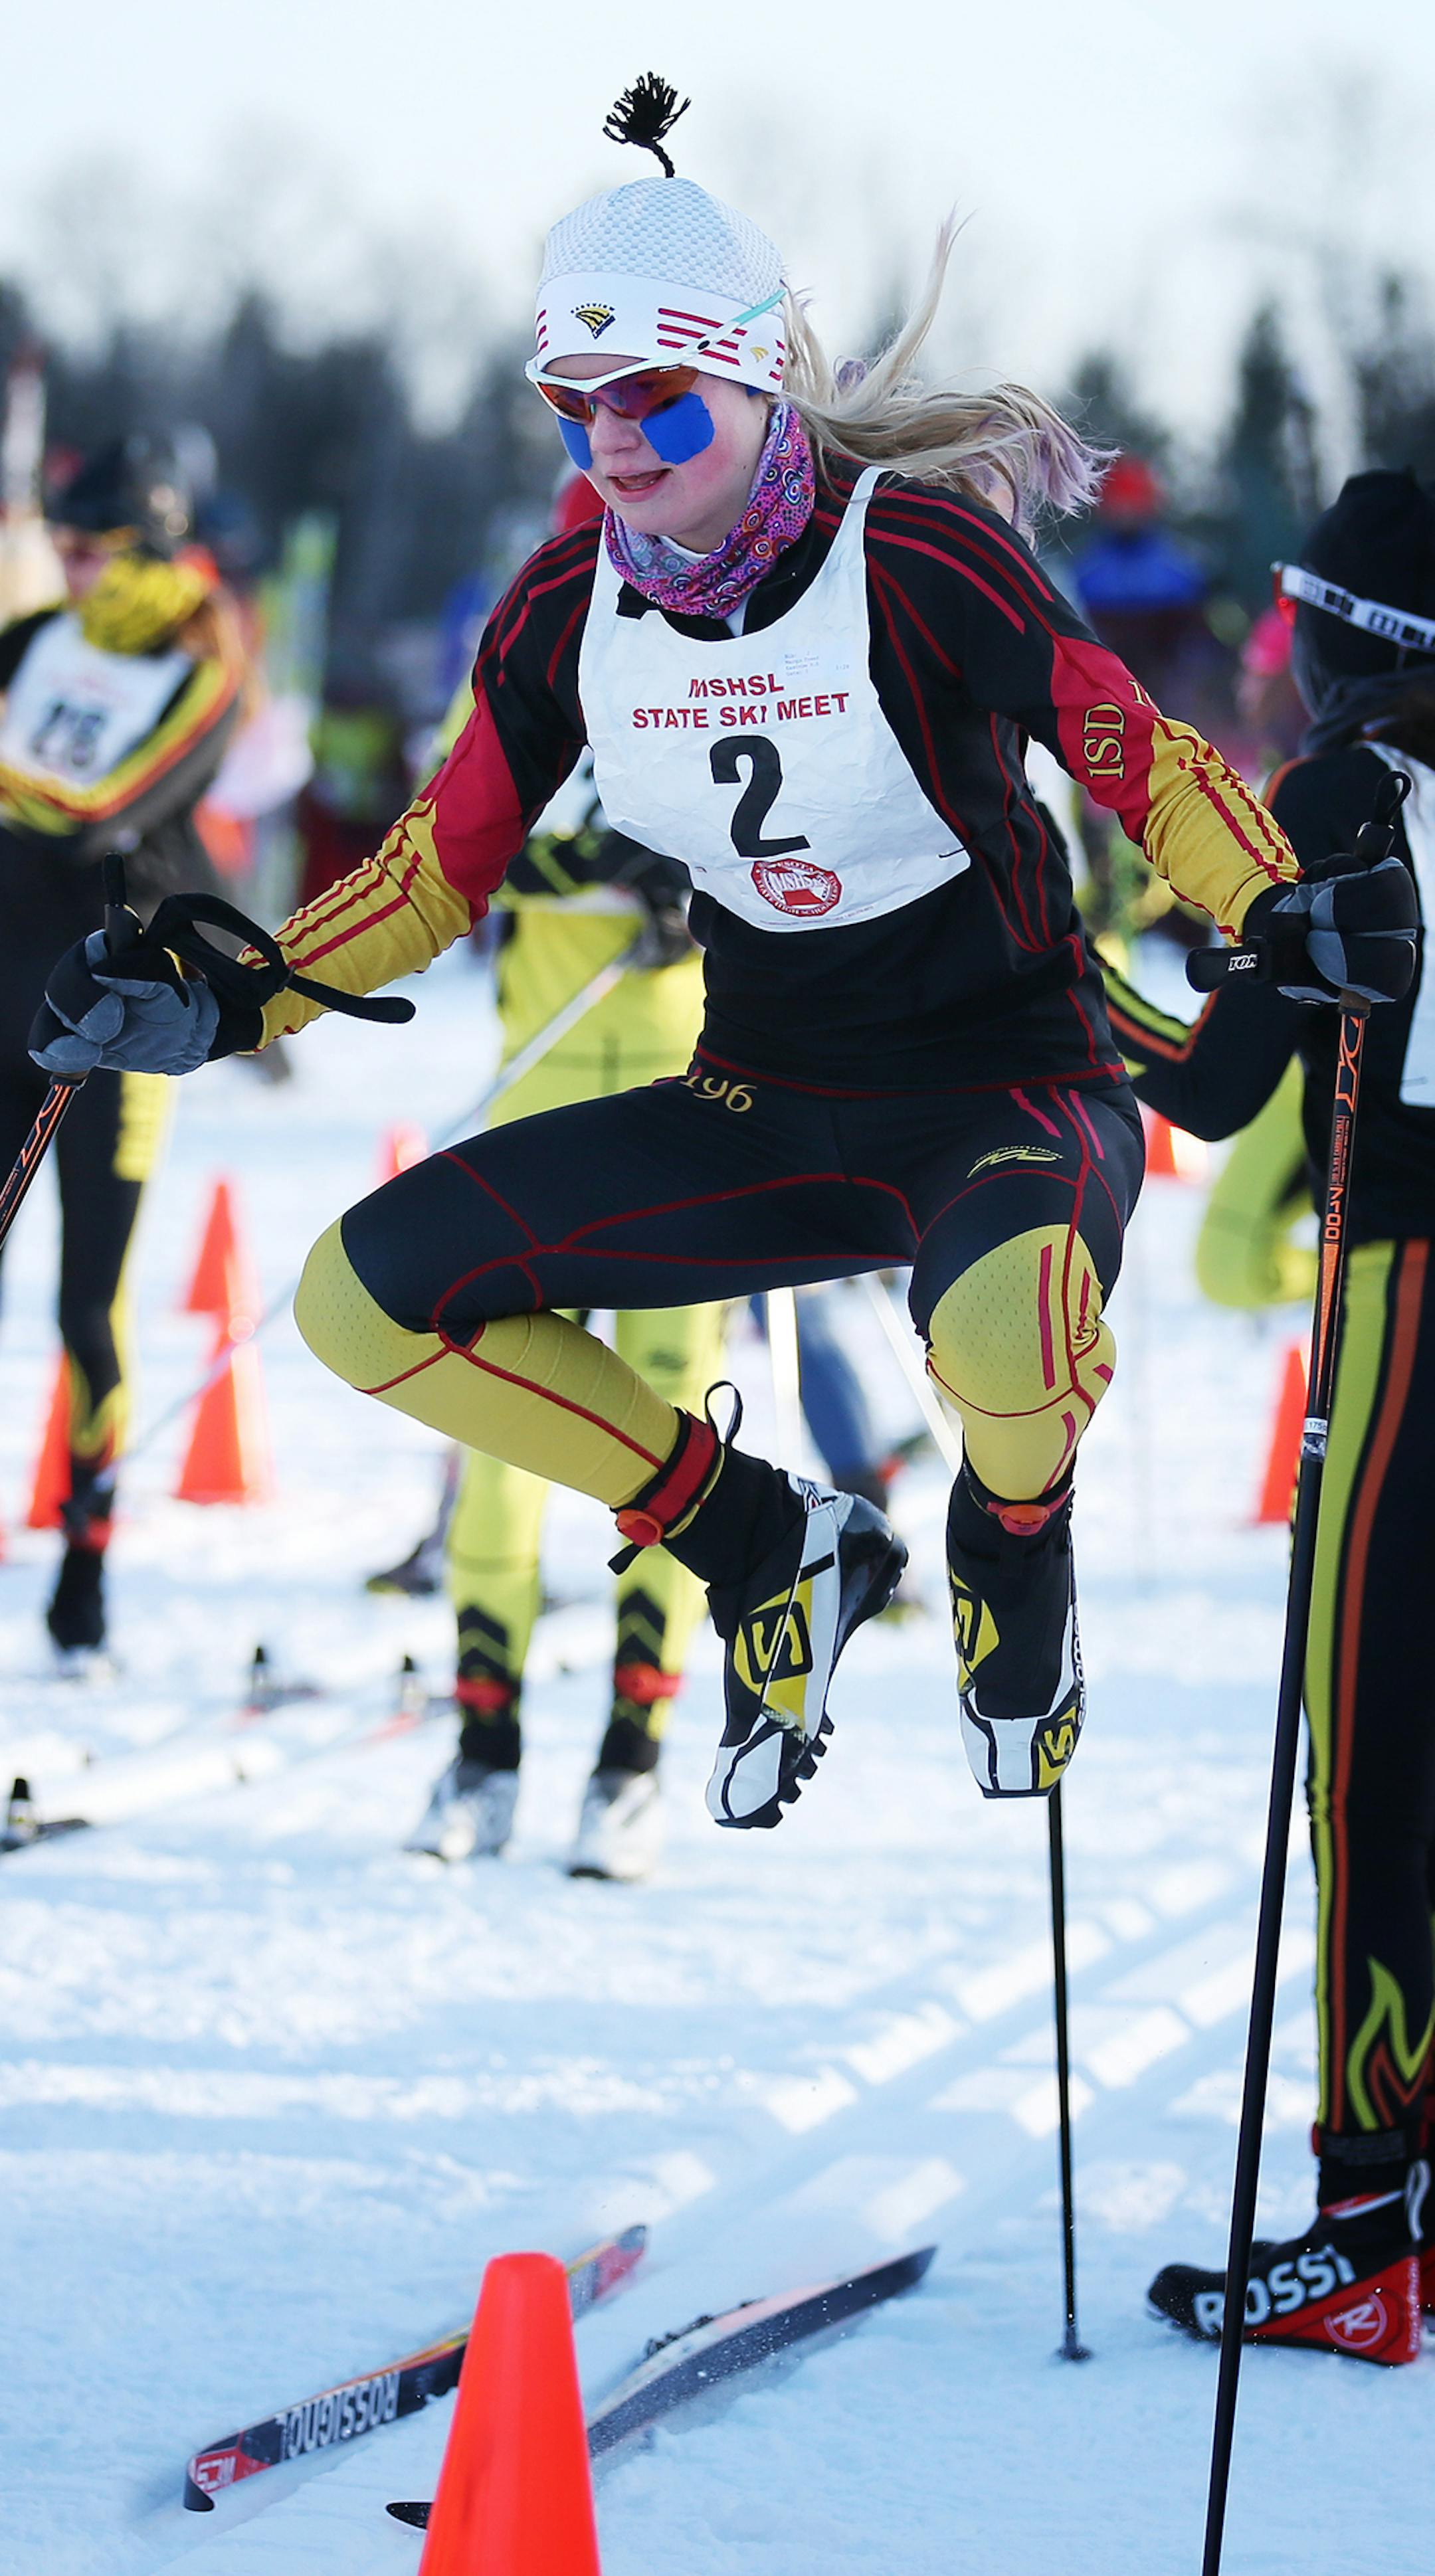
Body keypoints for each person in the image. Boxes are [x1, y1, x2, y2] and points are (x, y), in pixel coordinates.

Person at [28, 79, 1404, 1838]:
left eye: (657, 395)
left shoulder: (912, 554)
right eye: (570, 400)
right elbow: (431, 867)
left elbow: (1136, 751)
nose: (611, 440)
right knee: (356, 1294)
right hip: (758, 1099)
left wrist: (1276, 898)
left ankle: (1011, 1539)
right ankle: (762, 1537)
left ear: (762, 381)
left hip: (1002, 1084)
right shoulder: (559, 605)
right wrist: (230, 993)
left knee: (1008, 1334)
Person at [1103, 469, 1434, 2364]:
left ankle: (1360, 2214)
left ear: (1348, 644)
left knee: (1364, 1755)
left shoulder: (1339, 790)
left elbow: (1219, 1089)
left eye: (1295, 618)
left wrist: (1054, 974)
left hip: (1405, 1292)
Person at [406, 473, 728, 1879]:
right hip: (535, 1113)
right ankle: (483, 1747)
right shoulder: (519, 668)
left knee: (664, 1439)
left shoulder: (734, 668)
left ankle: (633, 1760)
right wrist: (610, 859)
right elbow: (460, 841)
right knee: (504, 1433)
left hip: (687, 1113)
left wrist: (701, 886)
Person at [1, 435, 242, 1660]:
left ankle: (85, 1552)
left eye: (90, 546)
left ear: (147, 545)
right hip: (0, 984)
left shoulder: (203, 658)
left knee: (84, 1301)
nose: (72, 565)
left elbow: (108, 805)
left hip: (110, 1009)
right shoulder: (38, 635)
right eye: (62, 543)